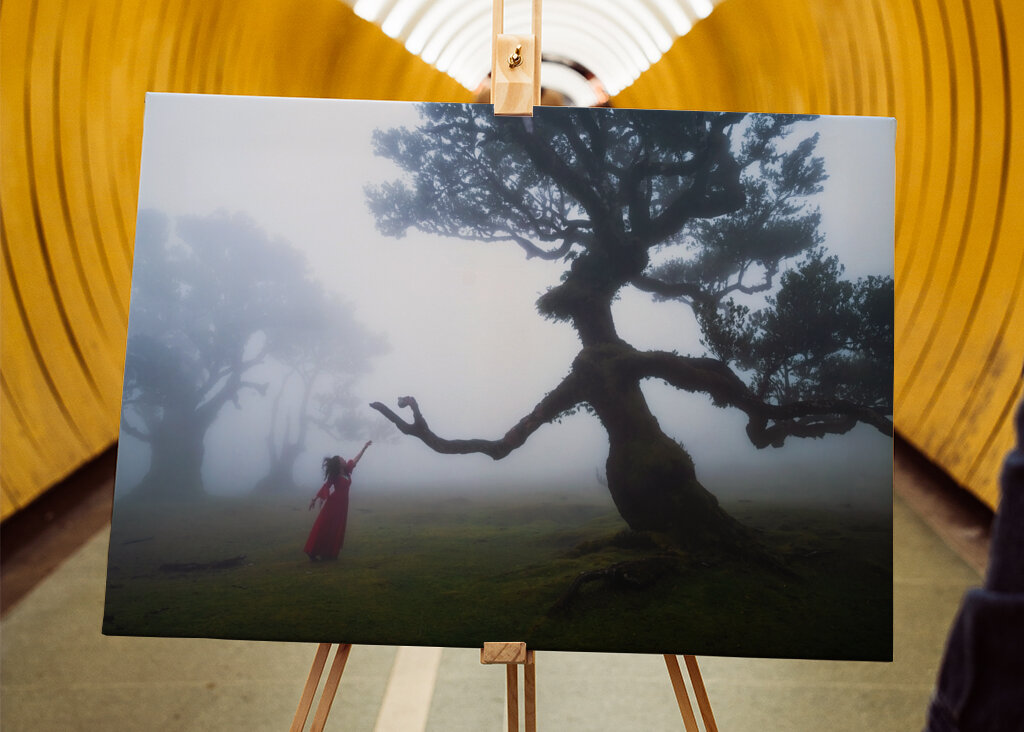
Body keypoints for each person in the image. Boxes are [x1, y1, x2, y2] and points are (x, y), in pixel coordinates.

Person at [304, 441, 372, 561]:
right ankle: (312, 552)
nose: (345, 459)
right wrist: (315, 499)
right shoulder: (334, 476)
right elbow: (326, 486)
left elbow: (356, 459)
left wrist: (364, 448)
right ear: (338, 464)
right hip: (333, 504)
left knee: (337, 527)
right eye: (342, 459)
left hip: (343, 504)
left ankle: (329, 553)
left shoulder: (347, 471)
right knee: (324, 526)